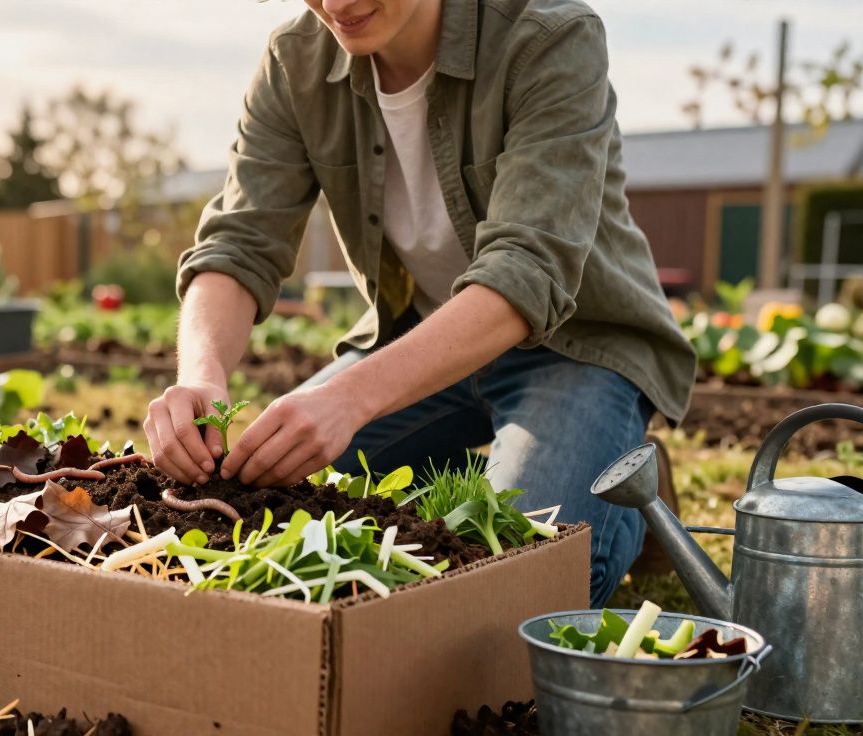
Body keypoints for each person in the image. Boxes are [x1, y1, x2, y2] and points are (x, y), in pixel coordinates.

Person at [144, 0, 696, 606]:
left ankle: (633, 487)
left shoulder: (550, 36)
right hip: (417, 350)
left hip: (578, 347)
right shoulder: (294, 60)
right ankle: (518, 463)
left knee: (521, 582)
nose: (337, 5)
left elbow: (527, 268)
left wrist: (349, 398)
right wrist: (201, 378)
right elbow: (238, 242)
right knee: (261, 499)